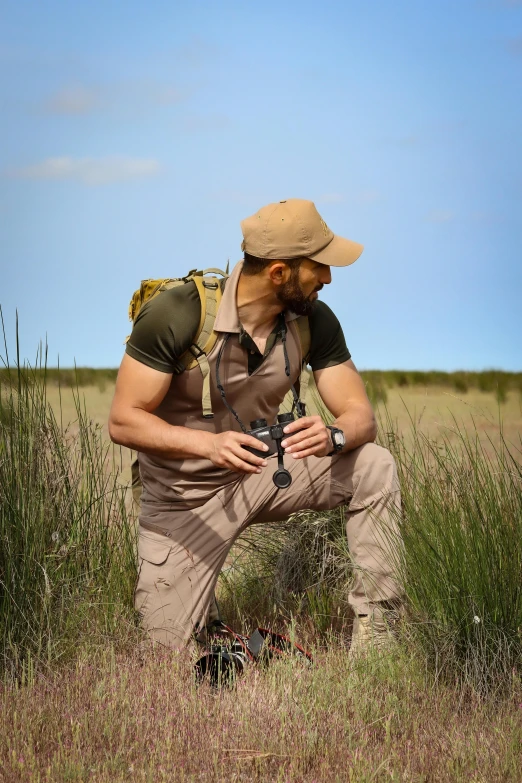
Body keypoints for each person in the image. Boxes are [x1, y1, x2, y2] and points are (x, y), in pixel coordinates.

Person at [109, 198, 403, 654]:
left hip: (267, 474)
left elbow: (361, 416)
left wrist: (334, 435)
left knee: (373, 466)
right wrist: (208, 446)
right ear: (279, 273)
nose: (328, 278)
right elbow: (123, 420)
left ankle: (379, 635)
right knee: (163, 657)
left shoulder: (313, 320)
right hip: (182, 503)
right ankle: (203, 620)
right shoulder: (178, 312)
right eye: (318, 267)